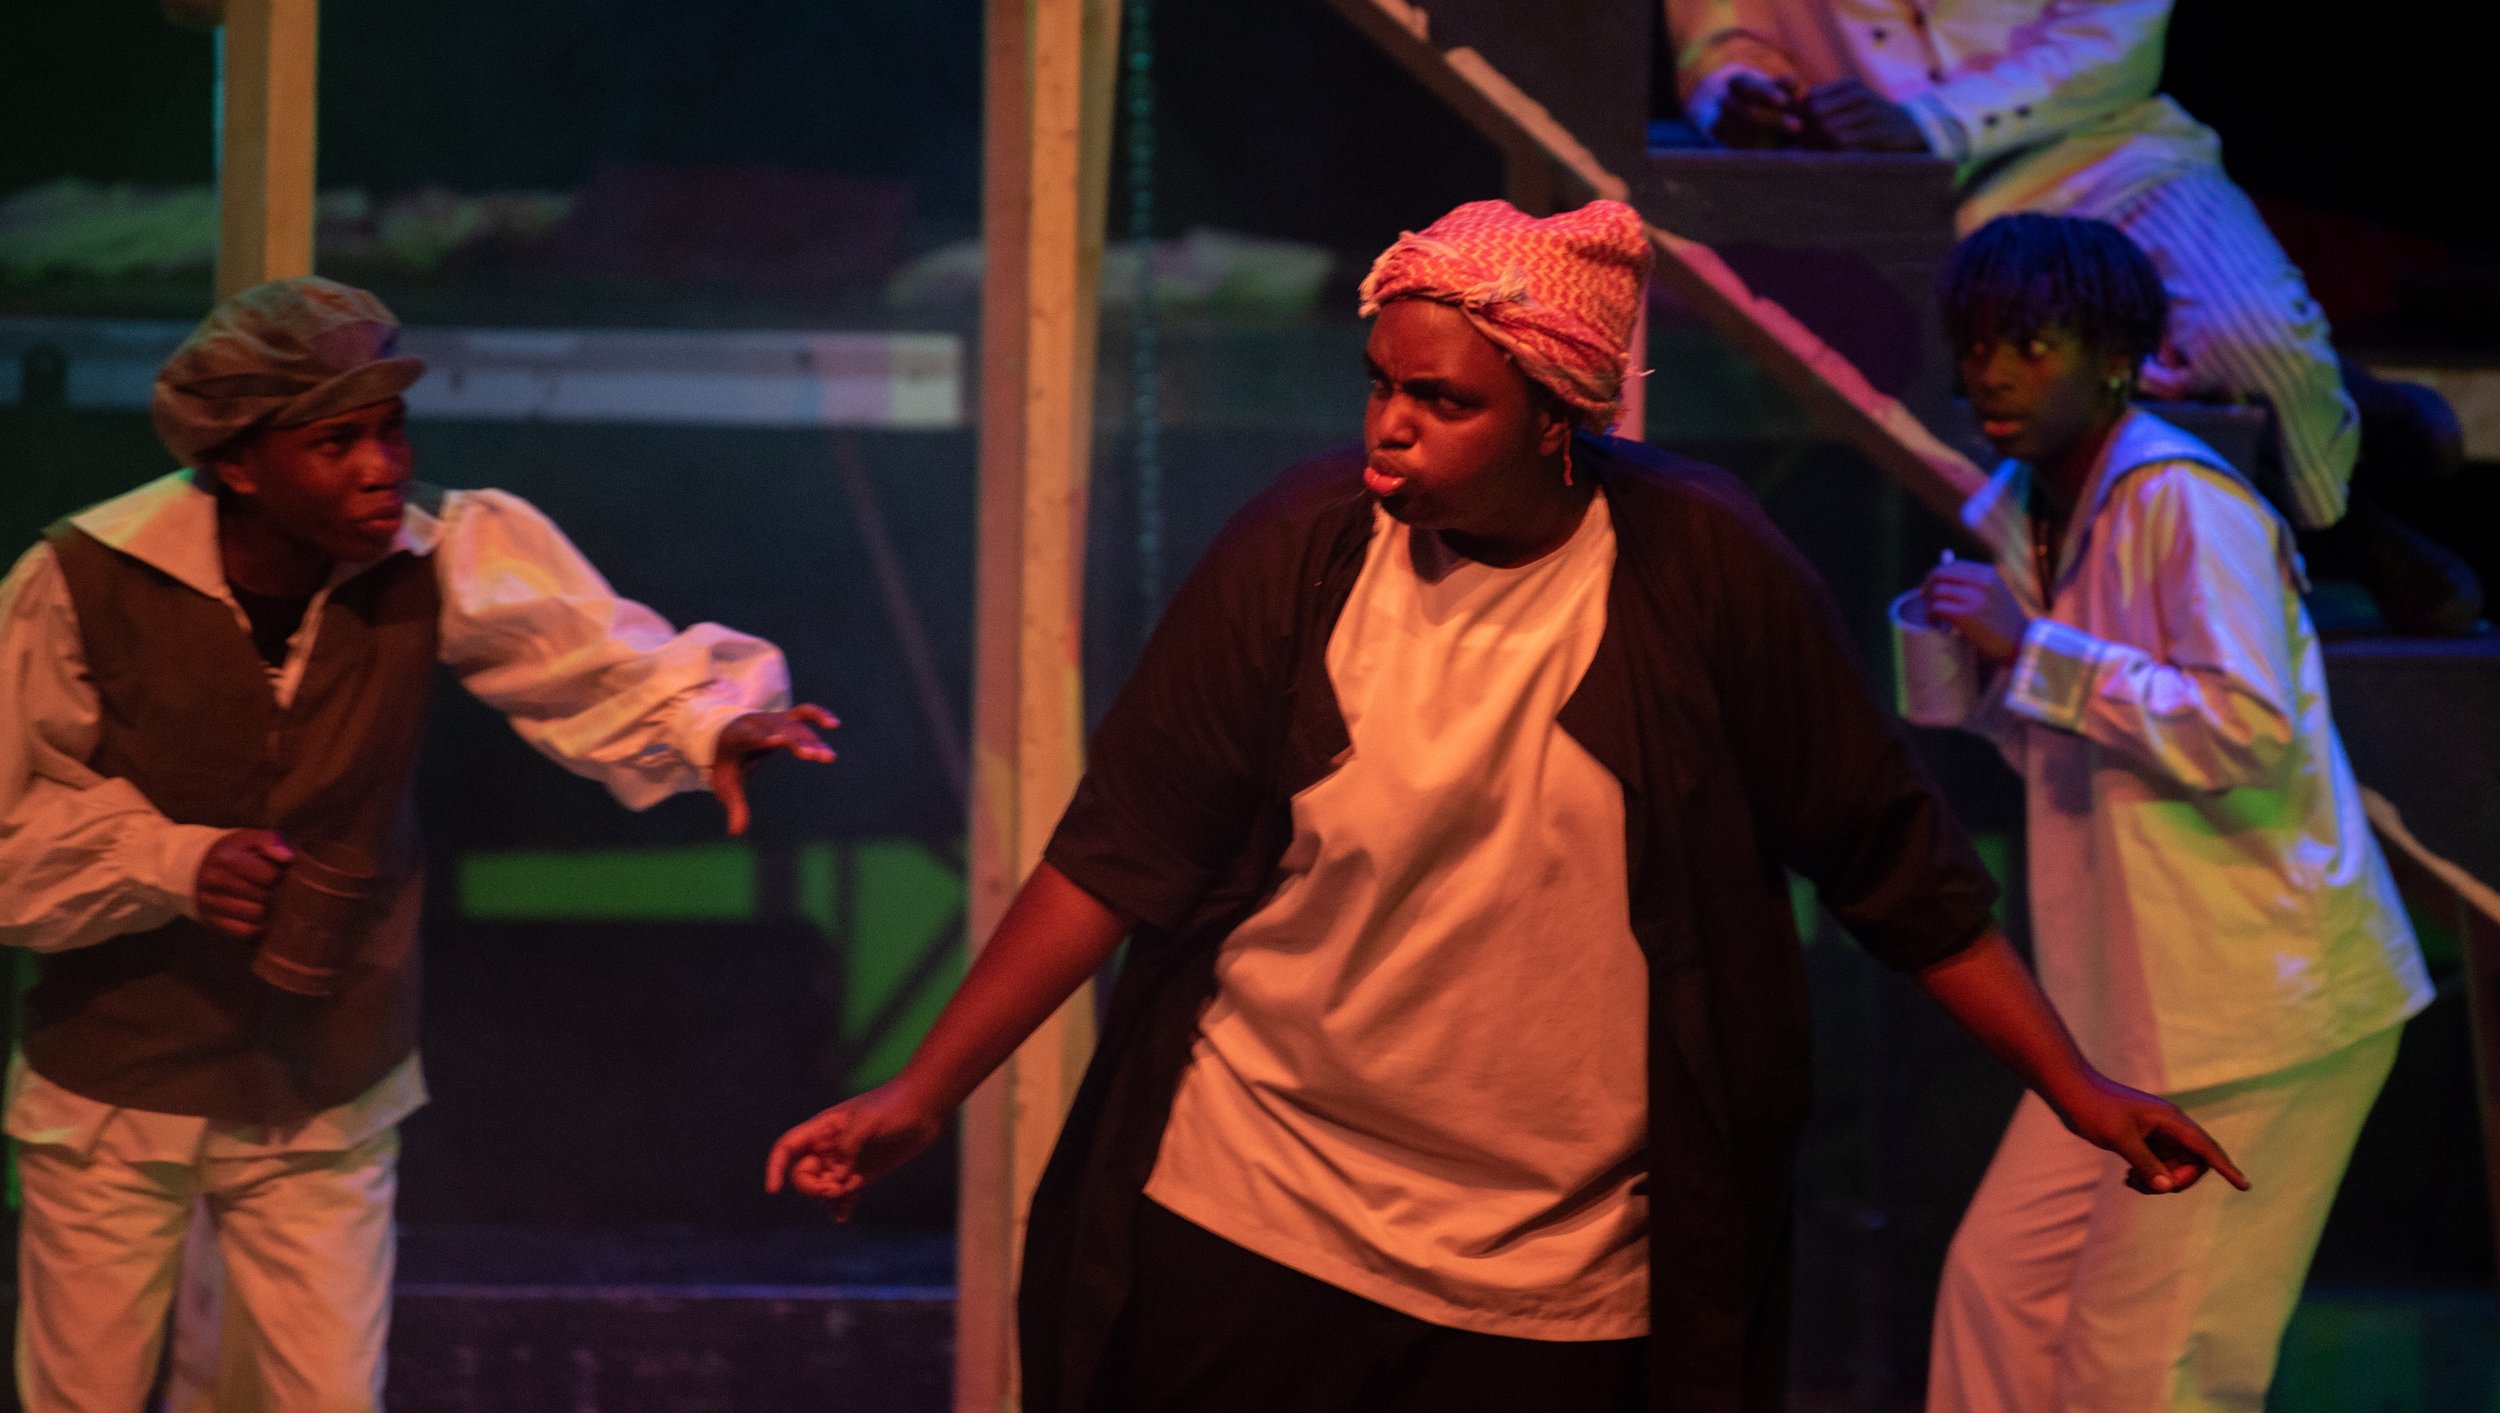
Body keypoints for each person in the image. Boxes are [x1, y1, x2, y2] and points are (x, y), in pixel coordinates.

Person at [767, 199, 2241, 1413]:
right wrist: (925, 1090)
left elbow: (1893, 872)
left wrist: (2077, 1084)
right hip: (1255, 1201)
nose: (1390, 430)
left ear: (1559, 416)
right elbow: (1118, 853)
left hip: (1556, 1276)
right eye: (1383, 385)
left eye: (1444, 401)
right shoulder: (1298, 554)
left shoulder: (1704, 573)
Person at [0, 276, 839, 1412]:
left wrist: (711, 723)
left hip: (328, 1067)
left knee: (326, 1398)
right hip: (116, 1078)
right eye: (334, 441)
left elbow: (591, 659)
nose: (378, 465)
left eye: (389, 429)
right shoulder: (85, 580)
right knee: (81, 1394)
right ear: (238, 464)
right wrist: (173, 862)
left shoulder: (441, 550)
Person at [1906, 214, 2432, 1412]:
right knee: (1999, 1299)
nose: (1992, 371)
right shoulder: (2020, 507)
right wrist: (1980, 660)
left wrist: (2032, 646)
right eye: (1979, 344)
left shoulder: (2187, 506)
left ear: (2115, 358)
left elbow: (2244, 730)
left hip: (2255, 1015)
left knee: (2149, 1370)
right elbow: (2069, 738)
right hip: (2129, 1028)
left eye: (2031, 345)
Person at [1664, 0, 2483, 633]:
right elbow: (1725, 38)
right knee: (2061, 378)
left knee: (2257, 344)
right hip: (1898, 194)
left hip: (2101, 151)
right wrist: (1737, 94)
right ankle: (2352, 487)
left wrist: (1933, 122)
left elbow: (2115, 42)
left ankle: (2333, 491)